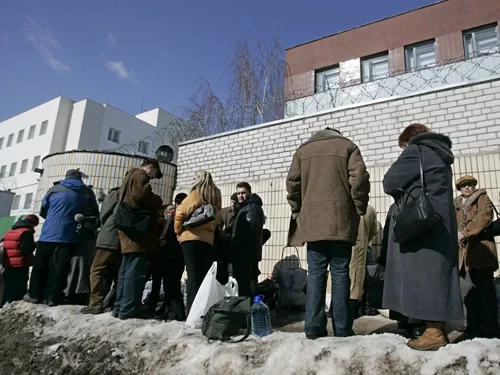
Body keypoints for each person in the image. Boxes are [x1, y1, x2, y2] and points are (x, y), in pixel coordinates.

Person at [382, 123, 463, 351]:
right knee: (436, 275)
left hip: (422, 224)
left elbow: (390, 182)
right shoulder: (441, 154)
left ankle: (435, 332)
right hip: (440, 223)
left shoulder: (417, 150)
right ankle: (434, 327)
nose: (403, 150)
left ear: (410, 140)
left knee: (424, 276)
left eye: (403, 146)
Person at [286, 127, 370, 339]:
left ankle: (313, 327)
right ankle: (342, 328)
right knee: (341, 273)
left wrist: (297, 210)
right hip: (341, 220)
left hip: (313, 221)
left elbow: (292, 183)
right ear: (337, 133)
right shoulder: (348, 146)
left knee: (315, 274)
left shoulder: (302, 151)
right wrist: (359, 207)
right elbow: (358, 179)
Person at [24, 169, 99, 306]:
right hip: (71, 235)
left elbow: (43, 210)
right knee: (62, 266)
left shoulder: (54, 189)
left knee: (41, 263)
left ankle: (34, 294)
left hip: (49, 233)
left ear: (66, 177)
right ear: (80, 178)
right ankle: (54, 296)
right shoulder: (87, 192)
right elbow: (93, 212)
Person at [113, 158, 165, 320]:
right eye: (154, 174)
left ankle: (119, 306)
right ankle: (128, 309)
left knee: (125, 268)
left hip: (128, 227)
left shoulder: (128, 176)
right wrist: (157, 200)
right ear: (150, 167)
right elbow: (140, 195)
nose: (152, 178)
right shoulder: (140, 175)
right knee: (135, 270)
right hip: (137, 230)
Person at [454, 175, 498, 338]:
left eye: (470, 185)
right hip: (463, 254)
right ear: (459, 189)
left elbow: (484, 218)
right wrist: (455, 236)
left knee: (485, 290)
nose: (467, 187)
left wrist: (465, 233)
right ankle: (470, 325)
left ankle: (489, 328)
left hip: (481, 251)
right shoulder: (456, 204)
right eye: (464, 185)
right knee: (467, 290)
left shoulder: (482, 198)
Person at [174, 170, 221, 314]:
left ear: (200, 179)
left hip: (191, 238)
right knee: (203, 276)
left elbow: (181, 211)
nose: (192, 181)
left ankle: (192, 312)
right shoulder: (214, 196)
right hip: (208, 240)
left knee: (193, 276)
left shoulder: (196, 194)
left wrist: (178, 230)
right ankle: (203, 311)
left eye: (194, 178)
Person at [81, 186, 121, 315]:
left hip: (108, 237)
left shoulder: (115, 193)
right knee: (117, 273)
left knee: (96, 270)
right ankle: (113, 302)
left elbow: (103, 214)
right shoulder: (134, 194)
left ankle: (96, 303)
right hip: (124, 240)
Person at [230, 182, 265, 297]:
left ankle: (249, 311)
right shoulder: (245, 207)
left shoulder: (251, 208)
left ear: (249, 193)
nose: (240, 196)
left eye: (243, 193)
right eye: (238, 193)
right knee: (247, 284)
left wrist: (236, 245)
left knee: (247, 286)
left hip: (246, 254)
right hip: (245, 254)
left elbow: (250, 233)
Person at [1, 215, 39, 306]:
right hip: (20, 265)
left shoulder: (11, 231)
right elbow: (26, 249)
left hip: (8, 264)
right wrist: (36, 244)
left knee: (7, 289)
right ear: (32, 224)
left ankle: (4, 307)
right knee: (18, 289)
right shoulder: (26, 232)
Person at [349, 204, 378, 318]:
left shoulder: (343, 205)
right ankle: (363, 306)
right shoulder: (370, 209)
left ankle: (337, 308)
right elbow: (373, 232)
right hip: (363, 249)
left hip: (342, 248)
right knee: (360, 278)